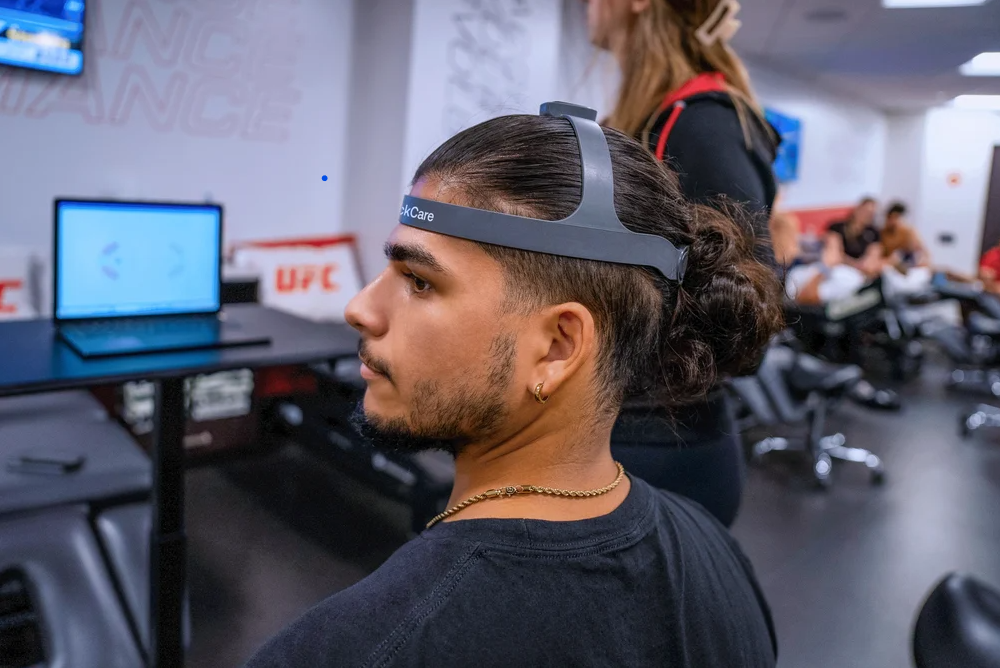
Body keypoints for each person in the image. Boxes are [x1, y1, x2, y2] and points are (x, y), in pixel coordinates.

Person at [245, 114, 781, 666]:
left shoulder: (349, 651)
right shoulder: (720, 557)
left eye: (420, 281)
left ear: (557, 346)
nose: (359, 309)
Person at [581, 0, 779, 527]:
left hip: (660, 452)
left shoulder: (701, 125)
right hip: (616, 432)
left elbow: (748, 323)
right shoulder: (644, 122)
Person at [825, 197, 884, 277]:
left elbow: (872, 259)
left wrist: (861, 266)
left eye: (871, 214)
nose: (867, 216)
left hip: (860, 273)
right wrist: (853, 264)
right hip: (838, 268)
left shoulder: (874, 233)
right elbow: (833, 255)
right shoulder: (837, 227)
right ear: (858, 209)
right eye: (865, 211)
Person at [880, 201, 929, 269]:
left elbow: (923, 251)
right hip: (888, 265)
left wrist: (924, 260)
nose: (894, 221)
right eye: (891, 218)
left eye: (896, 218)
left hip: (908, 264)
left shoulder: (909, 232)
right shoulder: (883, 233)